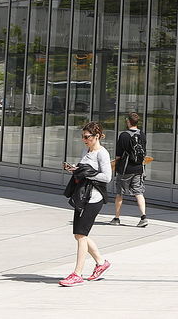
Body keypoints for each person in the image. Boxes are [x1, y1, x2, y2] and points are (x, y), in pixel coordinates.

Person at [60, 122, 112, 286]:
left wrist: (89, 174)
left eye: (87, 137)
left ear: (96, 136)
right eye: (83, 137)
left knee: (81, 235)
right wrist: (75, 169)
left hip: (94, 198)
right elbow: (84, 169)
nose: (84, 140)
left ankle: (77, 274)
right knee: (78, 234)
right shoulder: (87, 150)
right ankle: (101, 262)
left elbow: (107, 177)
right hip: (82, 196)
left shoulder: (102, 154)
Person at [110, 111, 148, 227]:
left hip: (125, 169)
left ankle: (116, 218)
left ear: (128, 122)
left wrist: (115, 165)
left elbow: (118, 155)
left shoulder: (124, 135)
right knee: (139, 192)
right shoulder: (142, 134)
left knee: (120, 194)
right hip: (138, 169)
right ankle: (143, 217)